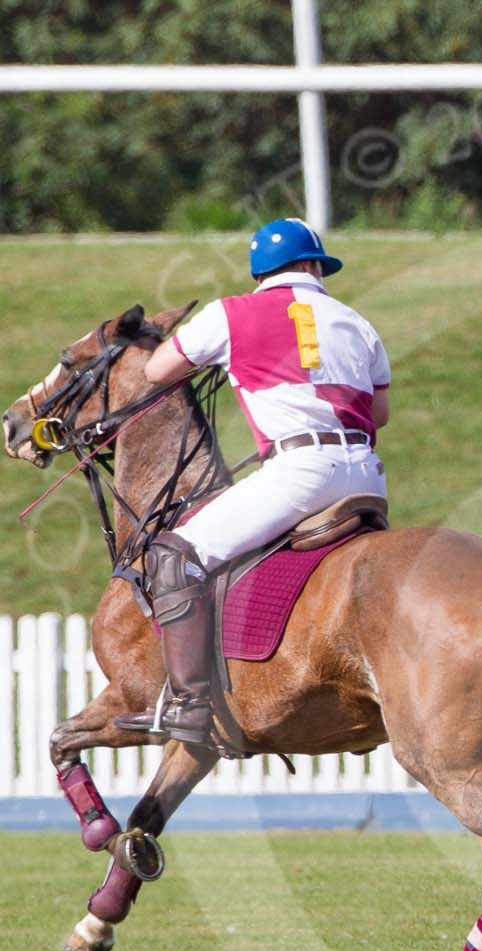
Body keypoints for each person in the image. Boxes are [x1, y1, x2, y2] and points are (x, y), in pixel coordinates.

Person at [113, 217, 392, 749]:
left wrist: (226, 355)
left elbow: (157, 372)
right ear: (314, 266)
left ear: (260, 271)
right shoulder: (356, 321)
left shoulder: (230, 313)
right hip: (366, 475)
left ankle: (190, 706)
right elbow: (379, 411)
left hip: (299, 472)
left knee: (173, 555)